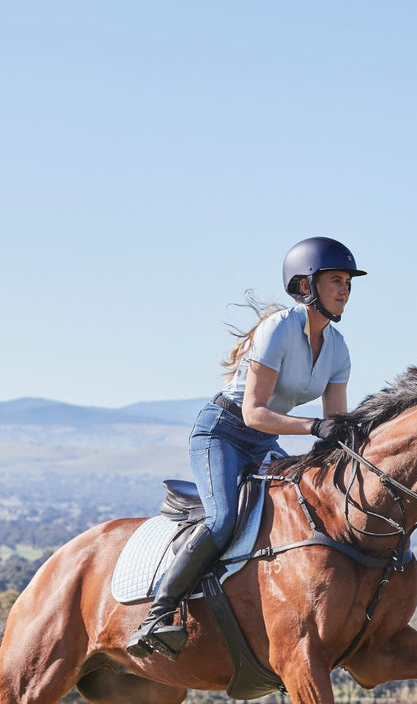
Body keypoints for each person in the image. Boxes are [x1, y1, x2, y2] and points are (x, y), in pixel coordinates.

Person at [127, 237, 366, 658]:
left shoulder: (339, 348)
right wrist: (315, 425)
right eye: (336, 280)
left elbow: (335, 426)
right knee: (223, 520)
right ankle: (157, 615)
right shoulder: (279, 329)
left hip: (264, 441)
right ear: (305, 285)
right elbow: (254, 413)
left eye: (348, 282)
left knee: (300, 511)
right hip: (223, 432)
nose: (345, 289)